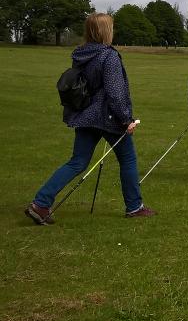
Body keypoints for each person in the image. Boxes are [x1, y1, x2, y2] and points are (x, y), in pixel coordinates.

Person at [25, 13, 155, 224]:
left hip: (86, 115)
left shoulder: (81, 53)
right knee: (128, 158)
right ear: (105, 31)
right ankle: (134, 207)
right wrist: (126, 119)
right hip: (108, 117)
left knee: (77, 162)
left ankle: (40, 203)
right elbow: (115, 92)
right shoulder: (109, 55)